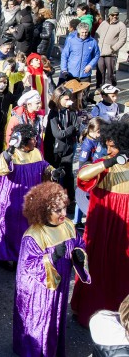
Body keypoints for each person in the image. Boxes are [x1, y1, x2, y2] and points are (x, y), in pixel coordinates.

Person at [13, 182, 90, 357]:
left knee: (55, 316)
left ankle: (53, 348)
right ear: (44, 211)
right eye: (57, 210)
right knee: (41, 320)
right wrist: (52, 257)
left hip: (60, 283)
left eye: (64, 208)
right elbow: (29, 266)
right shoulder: (33, 235)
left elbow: (79, 244)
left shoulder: (68, 225)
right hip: (39, 291)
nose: (63, 213)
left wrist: (79, 254)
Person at [71, 121, 129, 327]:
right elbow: (82, 176)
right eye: (107, 145)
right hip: (102, 226)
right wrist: (109, 162)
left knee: (122, 269)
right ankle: (90, 310)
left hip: (124, 228)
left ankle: (122, 315)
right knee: (97, 265)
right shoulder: (104, 164)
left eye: (113, 146)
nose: (108, 149)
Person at [0, 124, 57, 270]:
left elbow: (44, 167)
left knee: (26, 229)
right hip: (11, 199)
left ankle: (21, 256)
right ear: (23, 141)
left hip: (30, 199)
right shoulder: (11, 154)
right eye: (32, 139)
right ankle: (3, 257)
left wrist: (52, 172)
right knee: (10, 229)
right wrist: (9, 151)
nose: (35, 141)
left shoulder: (36, 153)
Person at [44, 86, 81, 203]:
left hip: (68, 148)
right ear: (58, 99)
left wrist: (69, 130)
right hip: (54, 151)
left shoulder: (72, 112)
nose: (69, 102)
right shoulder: (53, 114)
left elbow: (76, 128)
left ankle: (70, 199)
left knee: (68, 175)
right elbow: (58, 134)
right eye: (66, 99)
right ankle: (52, 200)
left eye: (70, 99)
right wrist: (70, 129)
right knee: (54, 175)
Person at [95, 6, 126, 89]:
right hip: (100, 52)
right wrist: (96, 45)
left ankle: (110, 88)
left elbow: (122, 40)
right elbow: (97, 34)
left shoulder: (121, 25)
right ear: (109, 15)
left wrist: (113, 48)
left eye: (117, 15)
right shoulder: (104, 23)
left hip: (111, 54)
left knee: (110, 73)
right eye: (113, 15)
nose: (115, 16)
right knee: (100, 71)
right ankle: (99, 88)